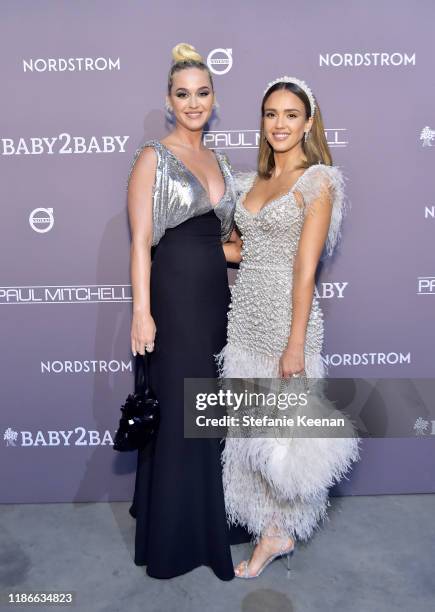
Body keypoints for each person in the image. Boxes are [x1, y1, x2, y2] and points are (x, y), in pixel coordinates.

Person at [216, 76, 360, 578]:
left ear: (308, 122)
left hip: (286, 320)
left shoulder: (317, 181)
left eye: (291, 115)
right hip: (245, 320)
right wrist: (184, 251)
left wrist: (296, 341)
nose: (280, 123)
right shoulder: (250, 183)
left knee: (284, 437)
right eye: (271, 114)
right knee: (251, 434)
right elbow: (240, 249)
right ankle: (266, 528)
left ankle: (277, 534)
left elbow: (305, 269)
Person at [127, 43, 245, 580]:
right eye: (183, 94)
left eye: (202, 93)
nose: (193, 103)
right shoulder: (154, 155)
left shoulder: (220, 161)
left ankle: (206, 523)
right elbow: (142, 241)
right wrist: (141, 313)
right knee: (178, 413)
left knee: (206, 413)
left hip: (214, 301)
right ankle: (173, 538)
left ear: (214, 99)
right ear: (169, 101)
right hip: (171, 302)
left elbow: (228, 244)